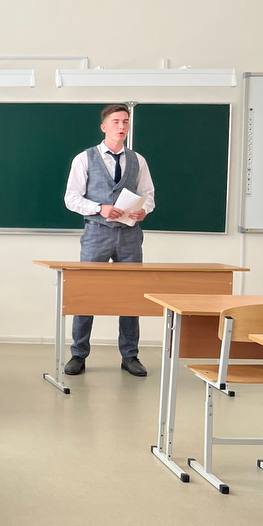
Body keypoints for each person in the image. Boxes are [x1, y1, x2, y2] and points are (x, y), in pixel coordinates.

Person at [62, 104, 156, 378]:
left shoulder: (138, 160)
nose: (121, 126)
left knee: (131, 295)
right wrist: (98, 208)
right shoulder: (84, 158)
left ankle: (130, 356)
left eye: (125, 121)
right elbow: (71, 198)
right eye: (116, 121)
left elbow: (149, 194)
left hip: (129, 235)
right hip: (96, 233)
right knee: (86, 293)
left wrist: (144, 210)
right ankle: (78, 354)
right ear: (104, 126)